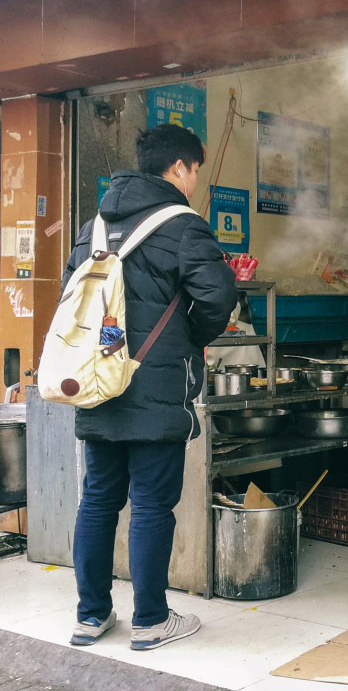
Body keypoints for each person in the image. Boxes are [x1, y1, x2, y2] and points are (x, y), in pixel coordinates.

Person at [63, 124, 237, 650]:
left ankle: (90, 617)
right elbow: (217, 296)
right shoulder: (184, 224)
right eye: (196, 172)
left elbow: (70, 297)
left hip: (98, 381)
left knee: (97, 501)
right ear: (179, 168)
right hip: (155, 385)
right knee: (151, 505)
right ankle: (150, 620)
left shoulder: (93, 226)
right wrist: (190, 342)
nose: (195, 183)